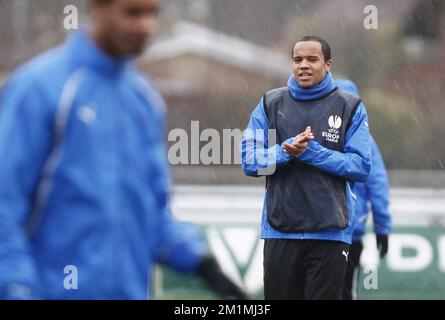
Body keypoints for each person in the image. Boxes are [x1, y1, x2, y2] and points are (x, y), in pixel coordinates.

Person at [0, 0, 246, 300]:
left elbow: (150, 215)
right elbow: (5, 205)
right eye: (132, 12)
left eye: (152, 13)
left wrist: (200, 262)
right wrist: (16, 288)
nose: (145, 25)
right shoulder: (40, 88)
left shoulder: (144, 101)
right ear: (97, 7)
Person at [240, 35, 372, 300]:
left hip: (330, 234)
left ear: (328, 65)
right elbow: (249, 161)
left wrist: (313, 153)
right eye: (297, 59)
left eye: (312, 59)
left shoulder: (350, 106)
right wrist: (285, 151)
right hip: (280, 230)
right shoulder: (269, 103)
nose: (303, 65)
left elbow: (361, 165)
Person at [336, 79, 392, 300]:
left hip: (325, 230)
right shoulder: (365, 140)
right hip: (350, 231)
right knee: (345, 291)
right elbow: (378, 186)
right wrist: (382, 227)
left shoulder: (317, 135)